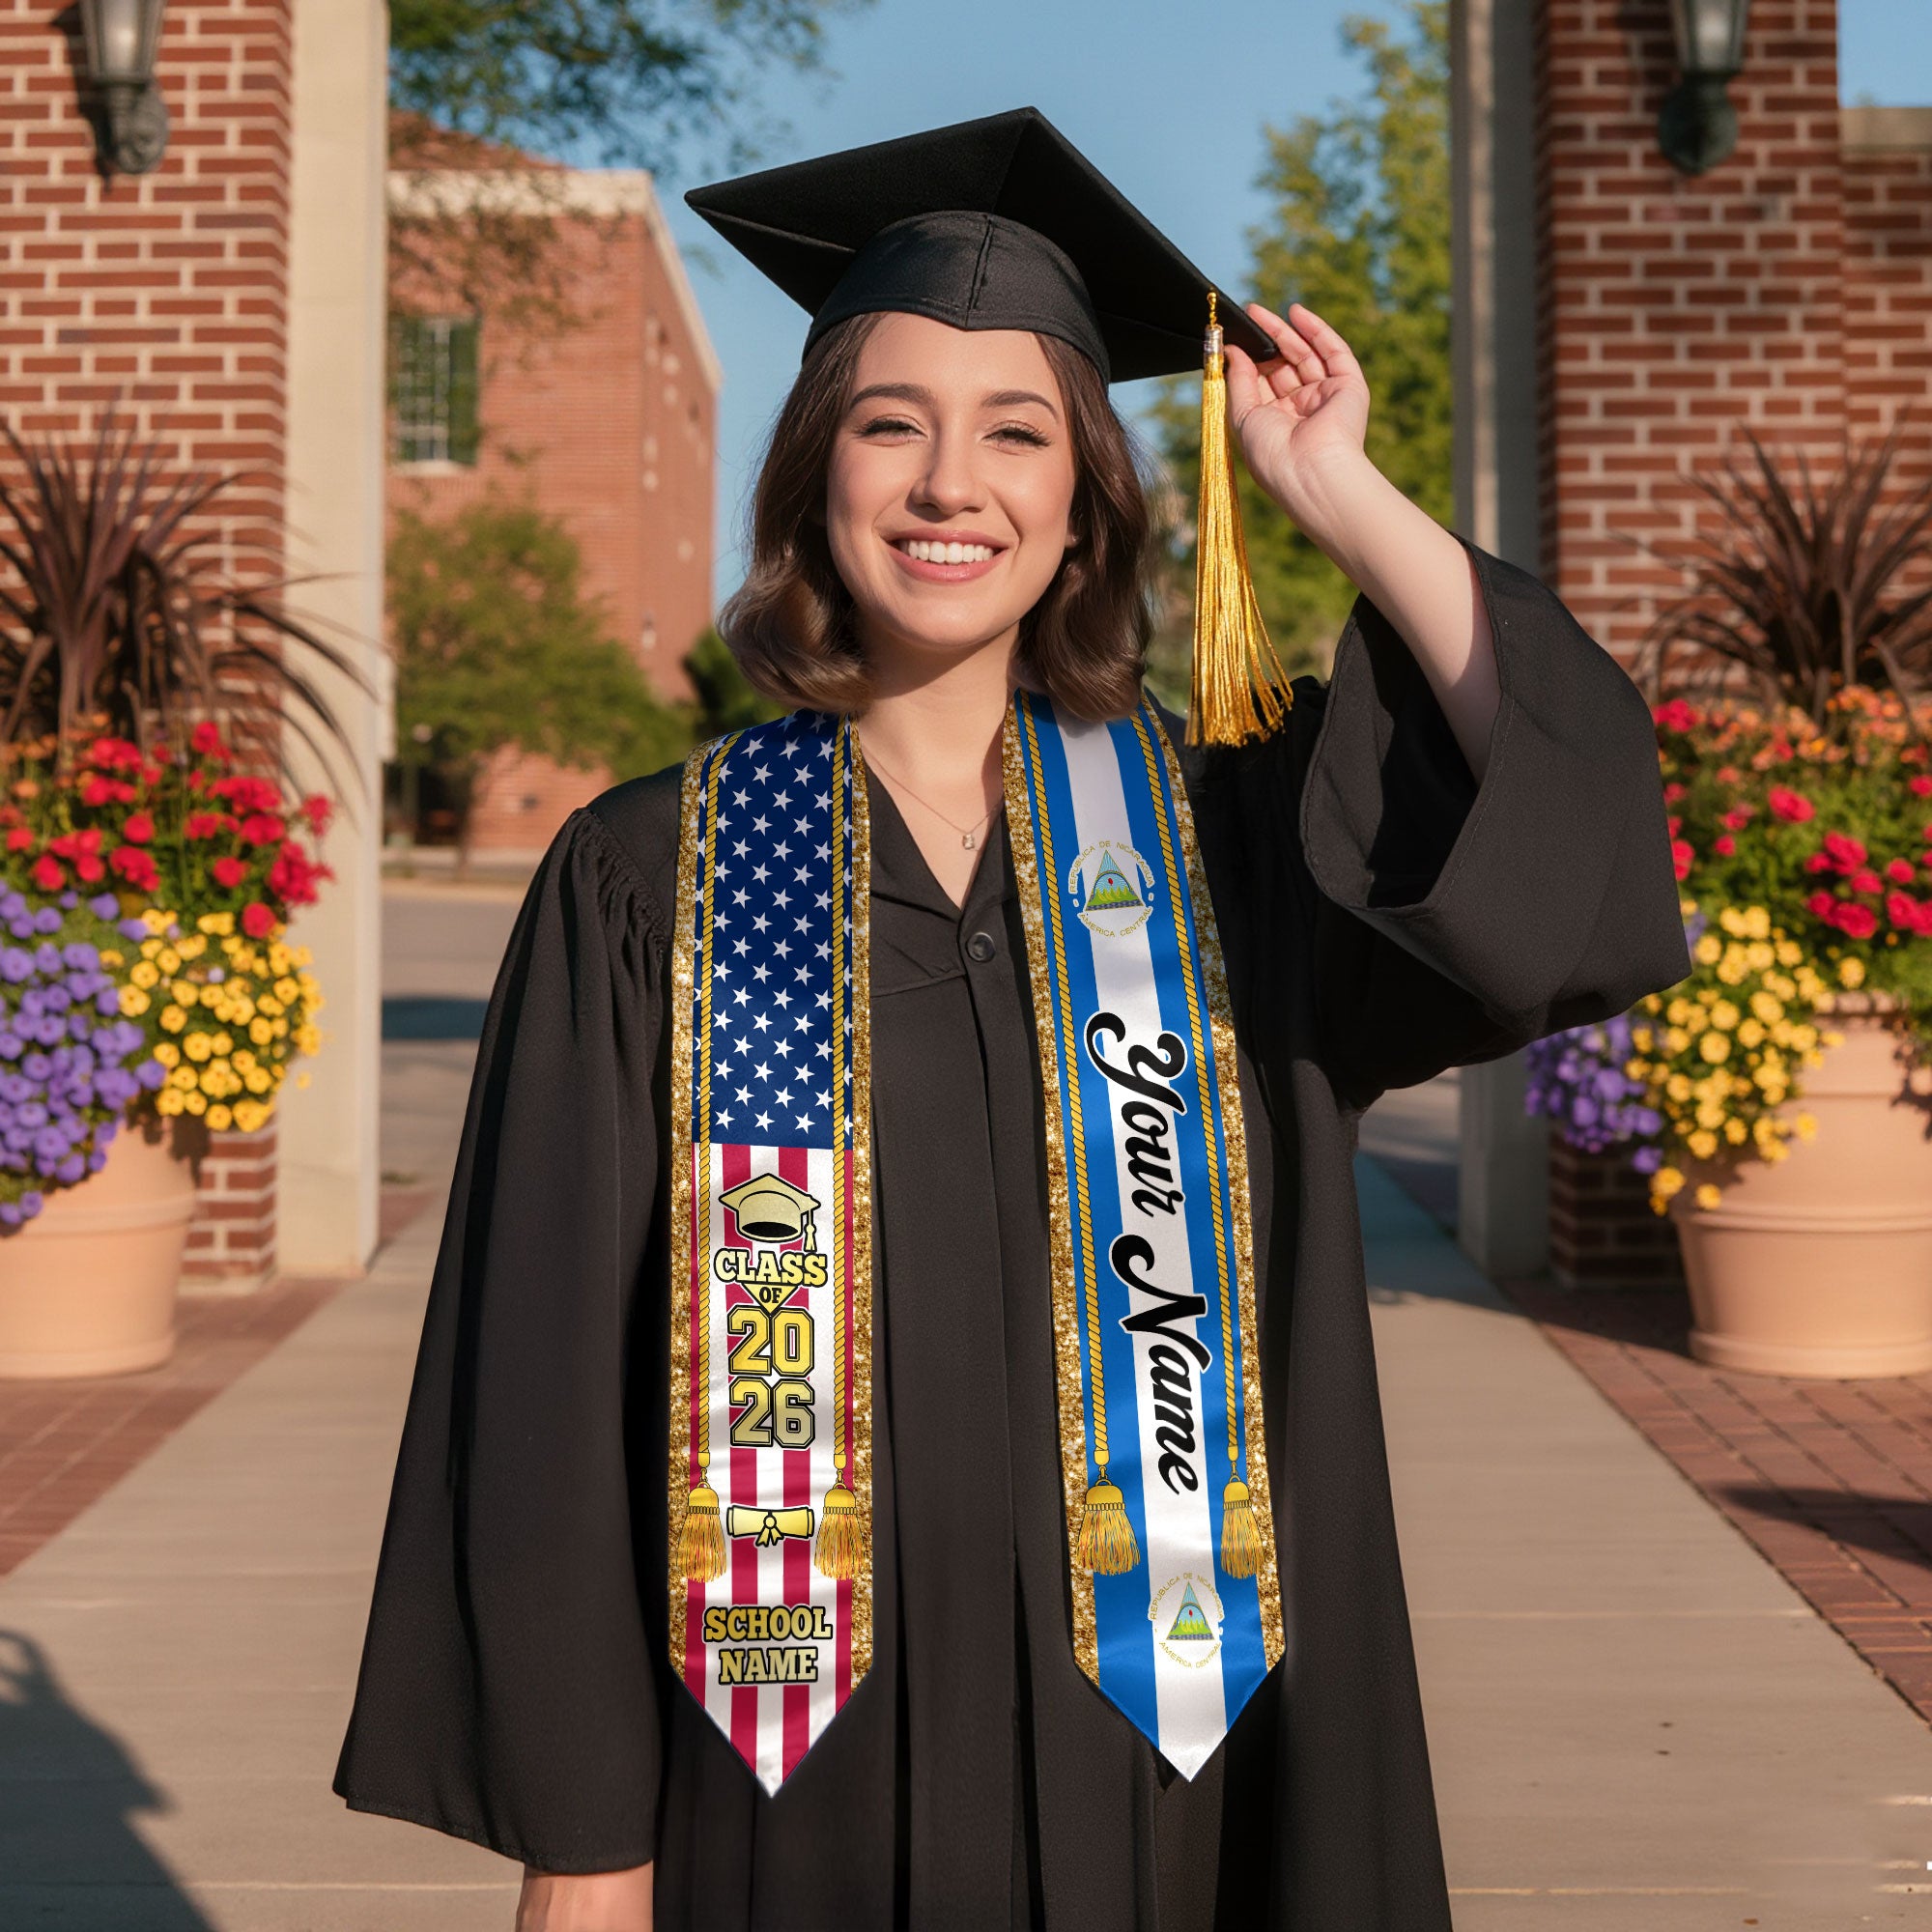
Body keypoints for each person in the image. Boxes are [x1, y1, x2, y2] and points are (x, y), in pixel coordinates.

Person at [332, 108, 1690, 1931]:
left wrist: (1336, 490)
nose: (949, 485)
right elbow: (546, 1385)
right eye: (892, 424)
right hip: (783, 1783)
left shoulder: (1233, 848)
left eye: (1017, 432)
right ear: (816, 472)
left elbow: (1562, 839)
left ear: (1085, 501)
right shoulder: (652, 876)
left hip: (1187, 1780)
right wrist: (584, 1846)